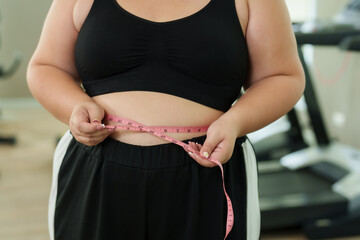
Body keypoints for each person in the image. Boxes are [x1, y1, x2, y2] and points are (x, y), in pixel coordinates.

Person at [27, 0, 305, 239]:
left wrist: (235, 122)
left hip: (206, 172)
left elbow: (282, 77)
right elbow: (46, 67)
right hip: (96, 169)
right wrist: (75, 107)